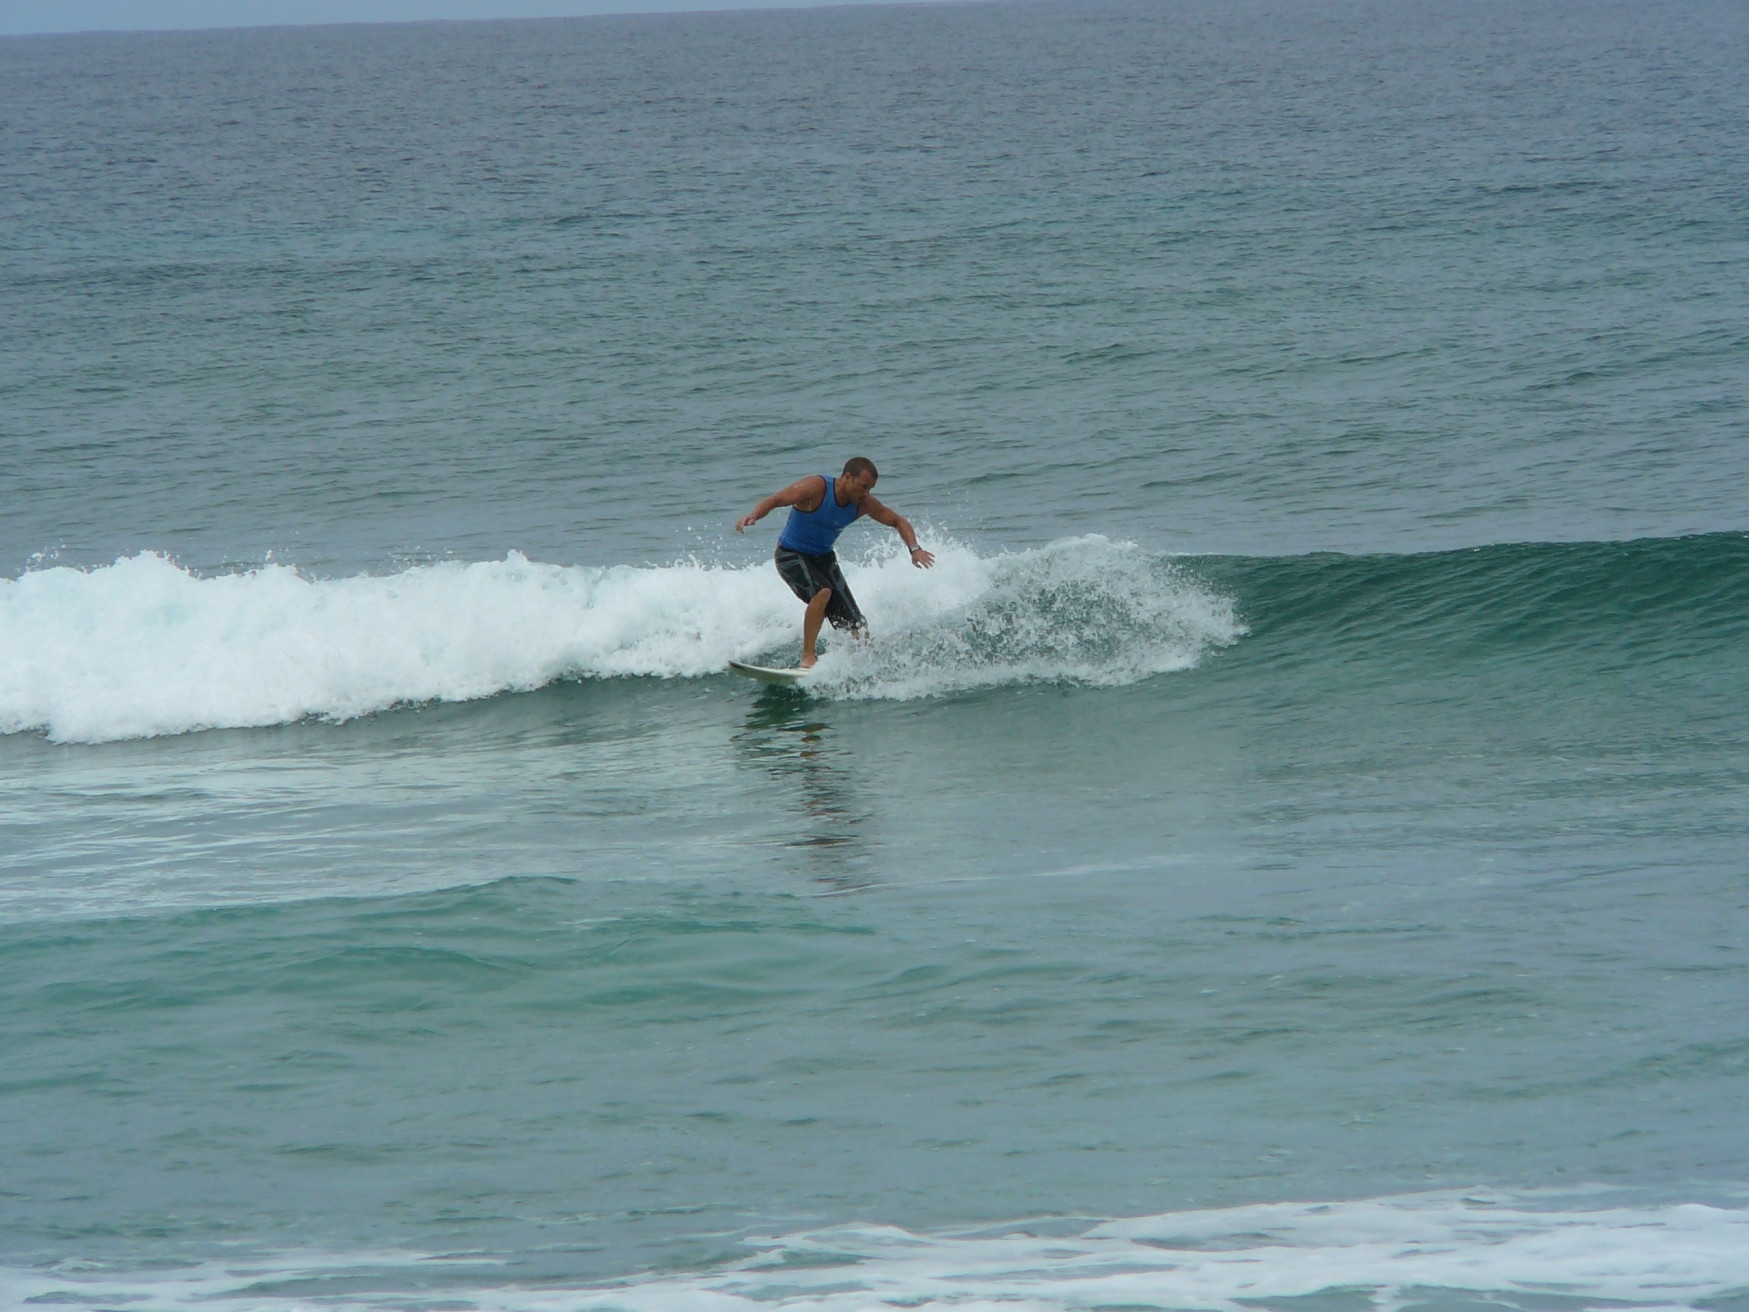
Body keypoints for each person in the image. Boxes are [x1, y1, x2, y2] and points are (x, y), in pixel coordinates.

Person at [736, 457, 935, 668]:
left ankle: (870, 664)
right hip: (791, 555)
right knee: (823, 591)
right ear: (847, 477)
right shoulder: (817, 487)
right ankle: (808, 657)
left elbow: (898, 521)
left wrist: (914, 548)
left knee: (856, 625)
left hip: (824, 559)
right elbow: (776, 499)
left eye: (871, 488)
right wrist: (753, 516)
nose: (867, 493)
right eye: (863, 486)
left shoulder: (863, 504)